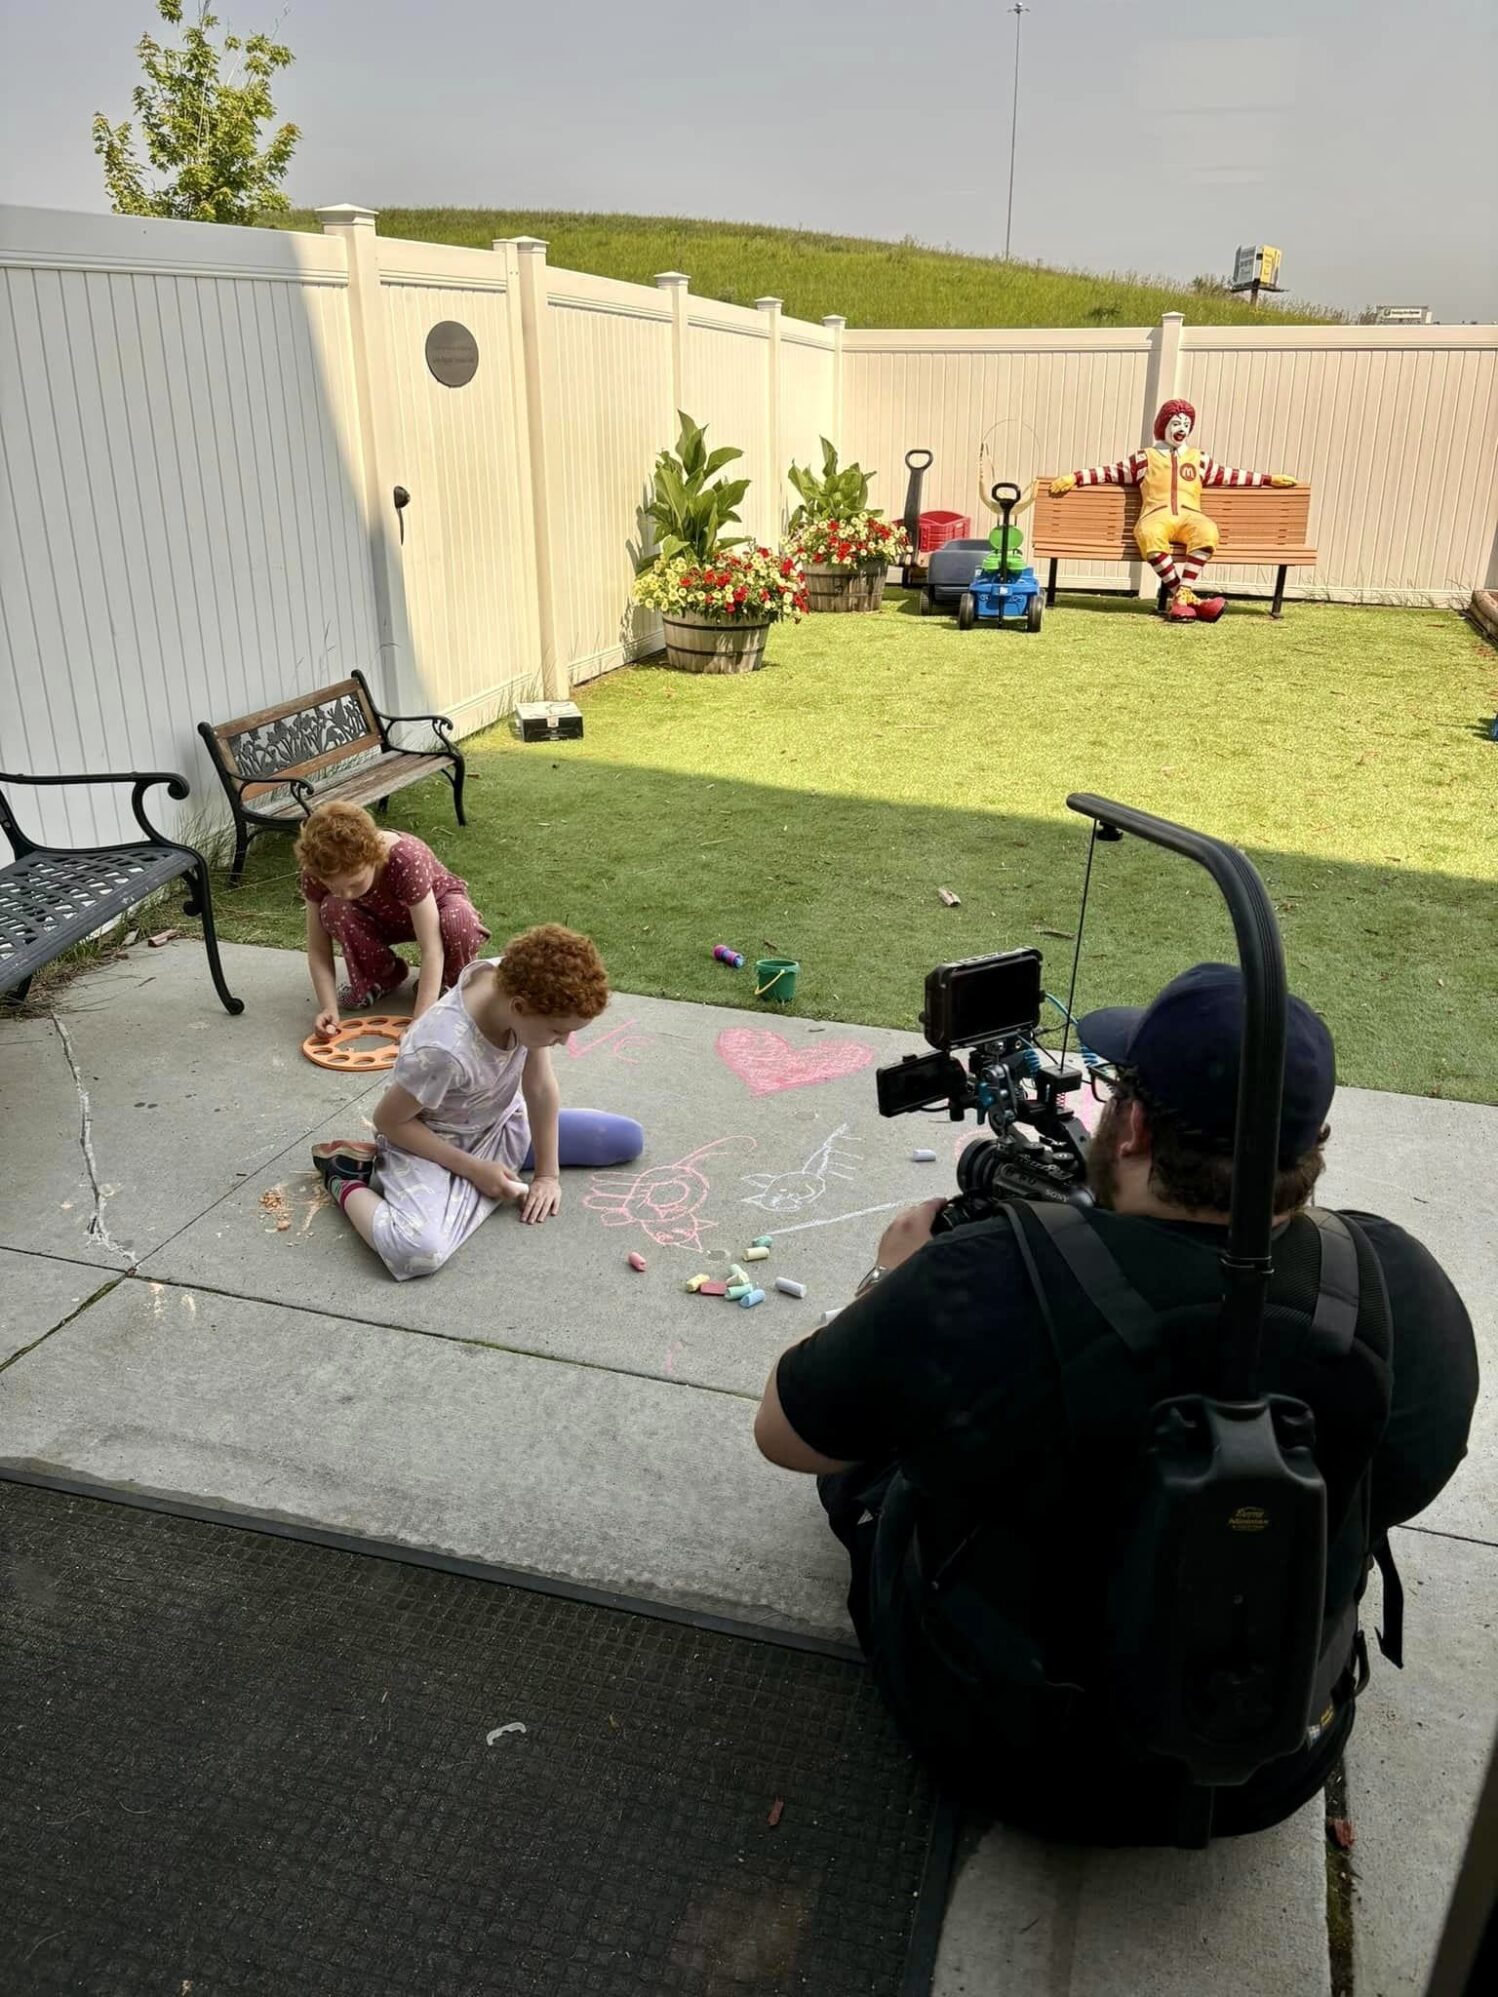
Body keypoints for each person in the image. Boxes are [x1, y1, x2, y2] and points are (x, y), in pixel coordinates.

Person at [754, 964, 1478, 1844]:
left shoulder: (975, 1282)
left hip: (1009, 1754)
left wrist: (893, 1275)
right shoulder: (1391, 1277)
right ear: (1313, 1140)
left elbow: (787, 1435)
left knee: (872, 1457)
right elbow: (1402, 1481)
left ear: (1130, 1124)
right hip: (1274, 1760)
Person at [312, 924, 643, 1281]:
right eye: (558, 1031)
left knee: (625, 1138)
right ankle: (345, 1178)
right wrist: (473, 1169)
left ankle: (476, 1185)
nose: (563, 1041)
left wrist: (548, 1175)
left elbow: (540, 1087)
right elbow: (390, 1122)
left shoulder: (520, 984)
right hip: (432, 1144)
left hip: (499, 1124)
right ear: (519, 1007)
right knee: (419, 1250)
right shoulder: (443, 1050)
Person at [1048, 399, 1297, 622]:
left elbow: (1231, 475)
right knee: (1148, 534)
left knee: (1207, 530)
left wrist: (1269, 479)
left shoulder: (1199, 459)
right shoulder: (1145, 458)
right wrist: (1075, 477)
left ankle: (1182, 596)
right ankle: (1186, 597)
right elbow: (1108, 472)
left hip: (1190, 515)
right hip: (1156, 515)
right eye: (1176, 422)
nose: (1182, 428)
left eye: (1186, 424)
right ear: (1164, 425)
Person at [296, 800, 490, 1034]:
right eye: (334, 886)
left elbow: (432, 948)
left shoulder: (405, 858)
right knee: (334, 908)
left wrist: (420, 1020)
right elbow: (318, 949)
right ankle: (381, 975)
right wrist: (328, 1007)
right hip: (379, 916)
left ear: (374, 856)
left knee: (459, 920)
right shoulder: (317, 870)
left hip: (435, 910)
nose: (346, 893)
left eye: (355, 883)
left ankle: (451, 983)